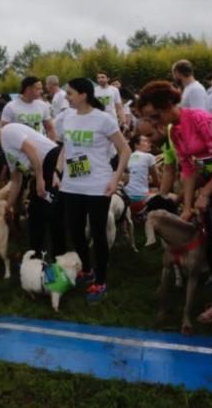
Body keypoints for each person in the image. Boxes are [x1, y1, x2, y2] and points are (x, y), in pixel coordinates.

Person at [138, 80, 212, 353]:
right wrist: (189, 206)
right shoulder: (174, 129)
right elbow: (188, 169)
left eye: (155, 116)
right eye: (147, 118)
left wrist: (205, 194)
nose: (153, 122)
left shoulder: (202, 119)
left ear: (170, 105)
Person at [56, 77, 131, 303]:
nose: (66, 97)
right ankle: (86, 269)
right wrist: (56, 172)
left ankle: (100, 281)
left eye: (70, 93)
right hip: (72, 185)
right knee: (76, 230)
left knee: (98, 234)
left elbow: (125, 150)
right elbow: (65, 148)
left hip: (99, 185)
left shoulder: (103, 120)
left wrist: (115, 178)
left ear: (83, 95)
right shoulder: (67, 118)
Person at [0, 119, 65, 257]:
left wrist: (39, 178)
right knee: (38, 211)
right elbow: (16, 180)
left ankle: (50, 254)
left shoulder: (8, 131)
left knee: (46, 210)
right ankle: (40, 252)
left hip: (51, 161)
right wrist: (8, 206)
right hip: (43, 169)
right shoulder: (7, 151)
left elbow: (31, 149)